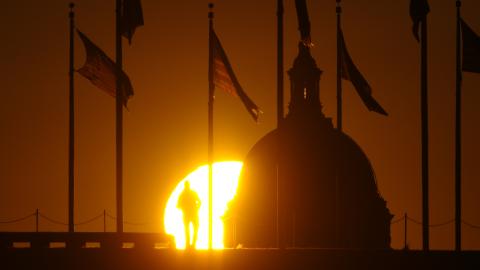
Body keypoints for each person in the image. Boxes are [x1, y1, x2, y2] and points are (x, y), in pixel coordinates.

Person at [177, 181, 201, 249]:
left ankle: (189, 244)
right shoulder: (192, 193)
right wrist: (196, 208)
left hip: (187, 214)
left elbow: (178, 205)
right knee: (194, 229)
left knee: (188, 229)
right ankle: (192, 244)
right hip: (193, 213)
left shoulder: (182, 194)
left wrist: (183, 208)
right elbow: (199, 202)